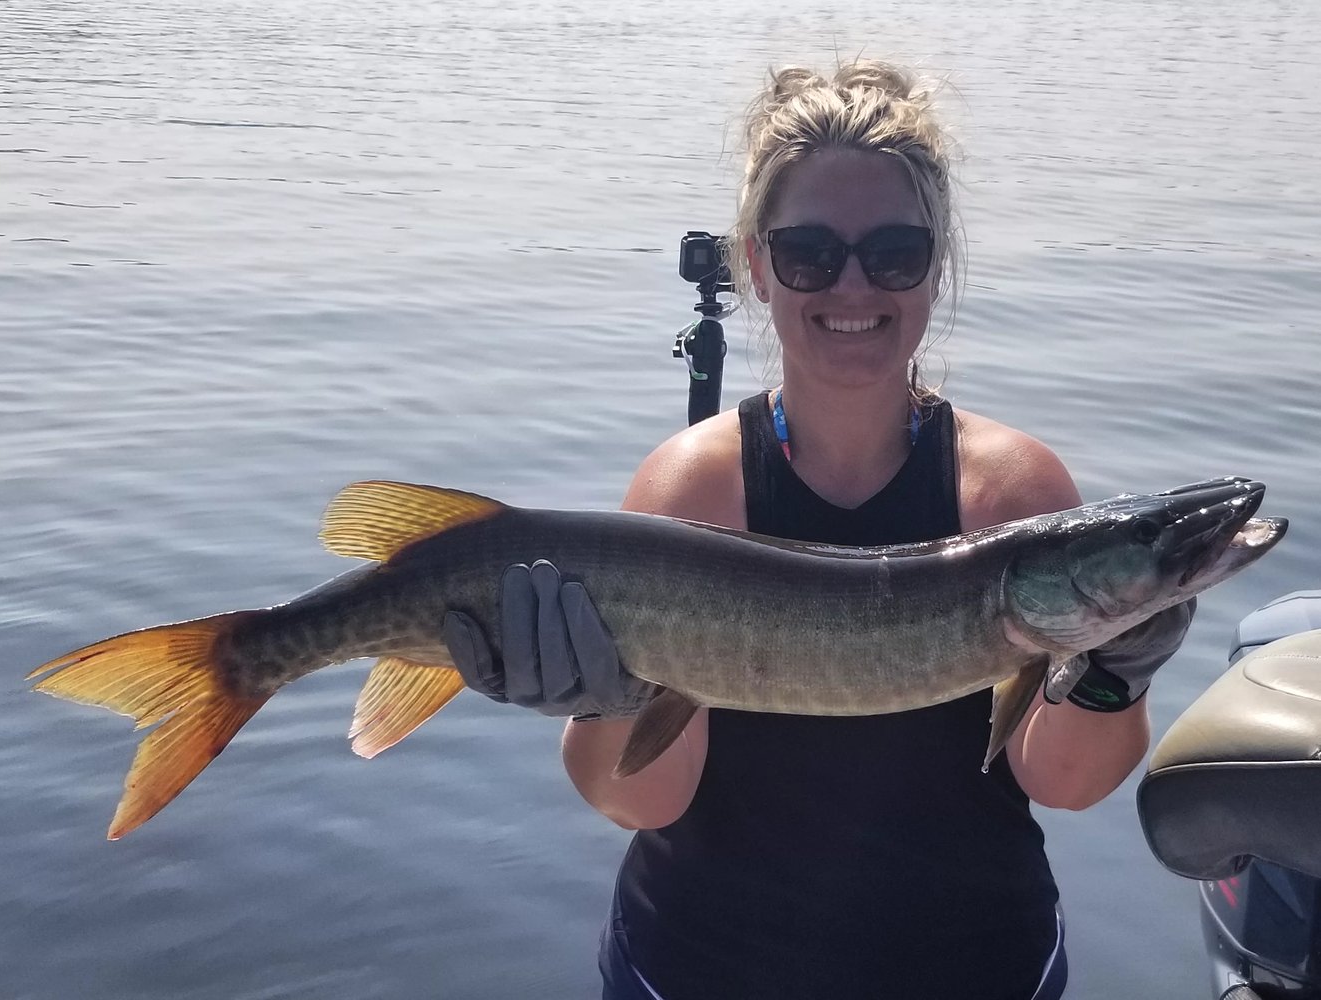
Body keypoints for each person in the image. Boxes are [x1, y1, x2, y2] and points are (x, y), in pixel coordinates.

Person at [443, 59, 1194, 1000]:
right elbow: (637, 798)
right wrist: (605, 700)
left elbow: (1065, 783)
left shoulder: (1014, 492)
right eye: (809, 251)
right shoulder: (691, 489)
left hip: (977, 967)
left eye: (893, 252)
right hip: (703, 970)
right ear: (757, 265)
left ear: (935, 266)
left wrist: (1115, 678)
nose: (851, 286)